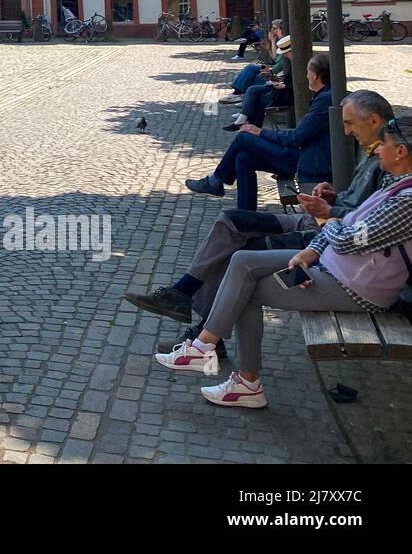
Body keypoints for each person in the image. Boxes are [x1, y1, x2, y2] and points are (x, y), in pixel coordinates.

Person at [153, 115, 412, 408]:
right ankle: (208, 351)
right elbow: (346, 226)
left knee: (245, 289)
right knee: (242, 261)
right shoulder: (396, 184)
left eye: (384, 145)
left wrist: (329, 223)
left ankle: (235, 374)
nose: (378, 150)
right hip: (335, 265)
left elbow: (349, 237)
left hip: (357, 286)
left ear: (401, 152)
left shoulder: (407, 200)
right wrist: (312, 249)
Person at [124, 90, 394, 347]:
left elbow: (369, 223)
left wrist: (330, 211)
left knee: (238, 255)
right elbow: (360, 203)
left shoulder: (389, 160)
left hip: (328, 240)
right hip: (320, 225)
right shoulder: (376, 149)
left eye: (350, 124)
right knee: (231, 221)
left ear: (373, 120)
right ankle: (182, 294)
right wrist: (334, 197)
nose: (346, 131)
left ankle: (202, 336)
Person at [185, 53, 331, 210]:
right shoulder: (325, 95)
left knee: (244, 137)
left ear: (315, 76)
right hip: (304, 156)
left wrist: (260, 132)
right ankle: (246, 218)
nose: (306, 76)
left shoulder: (324, 100)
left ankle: (215, 181)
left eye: (308, 72)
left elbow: (297, 137)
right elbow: (301, 135)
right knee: (243, 158)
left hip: (305, 163)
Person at [223, 35, 292, 130]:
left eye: (276, 29)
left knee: (251, 74)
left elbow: (276, 65)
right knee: (251, 82)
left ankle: (246, 118)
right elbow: (276, 61)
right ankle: (243, 116)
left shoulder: (289, 59)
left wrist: (280, 83)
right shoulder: (283, 50)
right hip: (277, 80)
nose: (273, 31)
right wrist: (272, 43)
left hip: (283, 88)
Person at [225, 19, 283, 96]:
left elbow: (276, 59)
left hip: (278, 74)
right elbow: (276, 59)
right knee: (250, 69)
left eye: (274, 28)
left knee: (250, 70)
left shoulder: (284, 41)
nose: (272, 31)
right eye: (272, 28)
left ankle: (237, 93)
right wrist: (269, 49)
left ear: (280, 29)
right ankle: (238, 93)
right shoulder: (279, 40)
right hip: (274, 69)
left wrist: (272, 40)